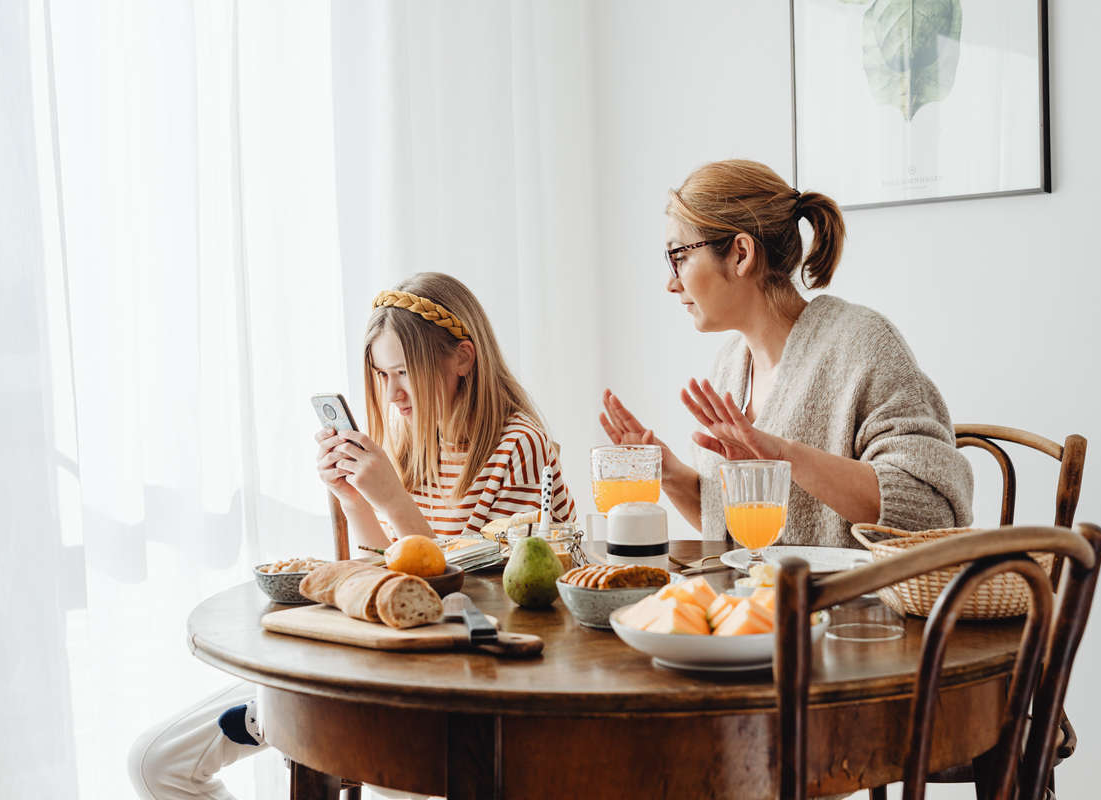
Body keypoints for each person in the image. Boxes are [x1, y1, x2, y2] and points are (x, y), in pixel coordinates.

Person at [129, 272, 575, 799]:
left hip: (458, 689)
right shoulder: (416, 438)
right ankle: (287, 708)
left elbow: (481, 608)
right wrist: (355, 500)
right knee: (154, 761)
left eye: (404, 372)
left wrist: (392, 501)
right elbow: (381, 577)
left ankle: (289, 711)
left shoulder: (518, 445)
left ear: (463, 358)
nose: (393, 394)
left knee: (385, 777)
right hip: (375, 663)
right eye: (382, 375)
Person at [600, 159, 972, 548]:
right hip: (762, 602)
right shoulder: (730, 367)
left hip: (857, 606)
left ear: (741, 254)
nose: (670, 282)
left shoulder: (862, 345)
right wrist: (668, 472)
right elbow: (736, 538)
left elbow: (931, 512)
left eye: (680, 256)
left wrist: (782, 456)